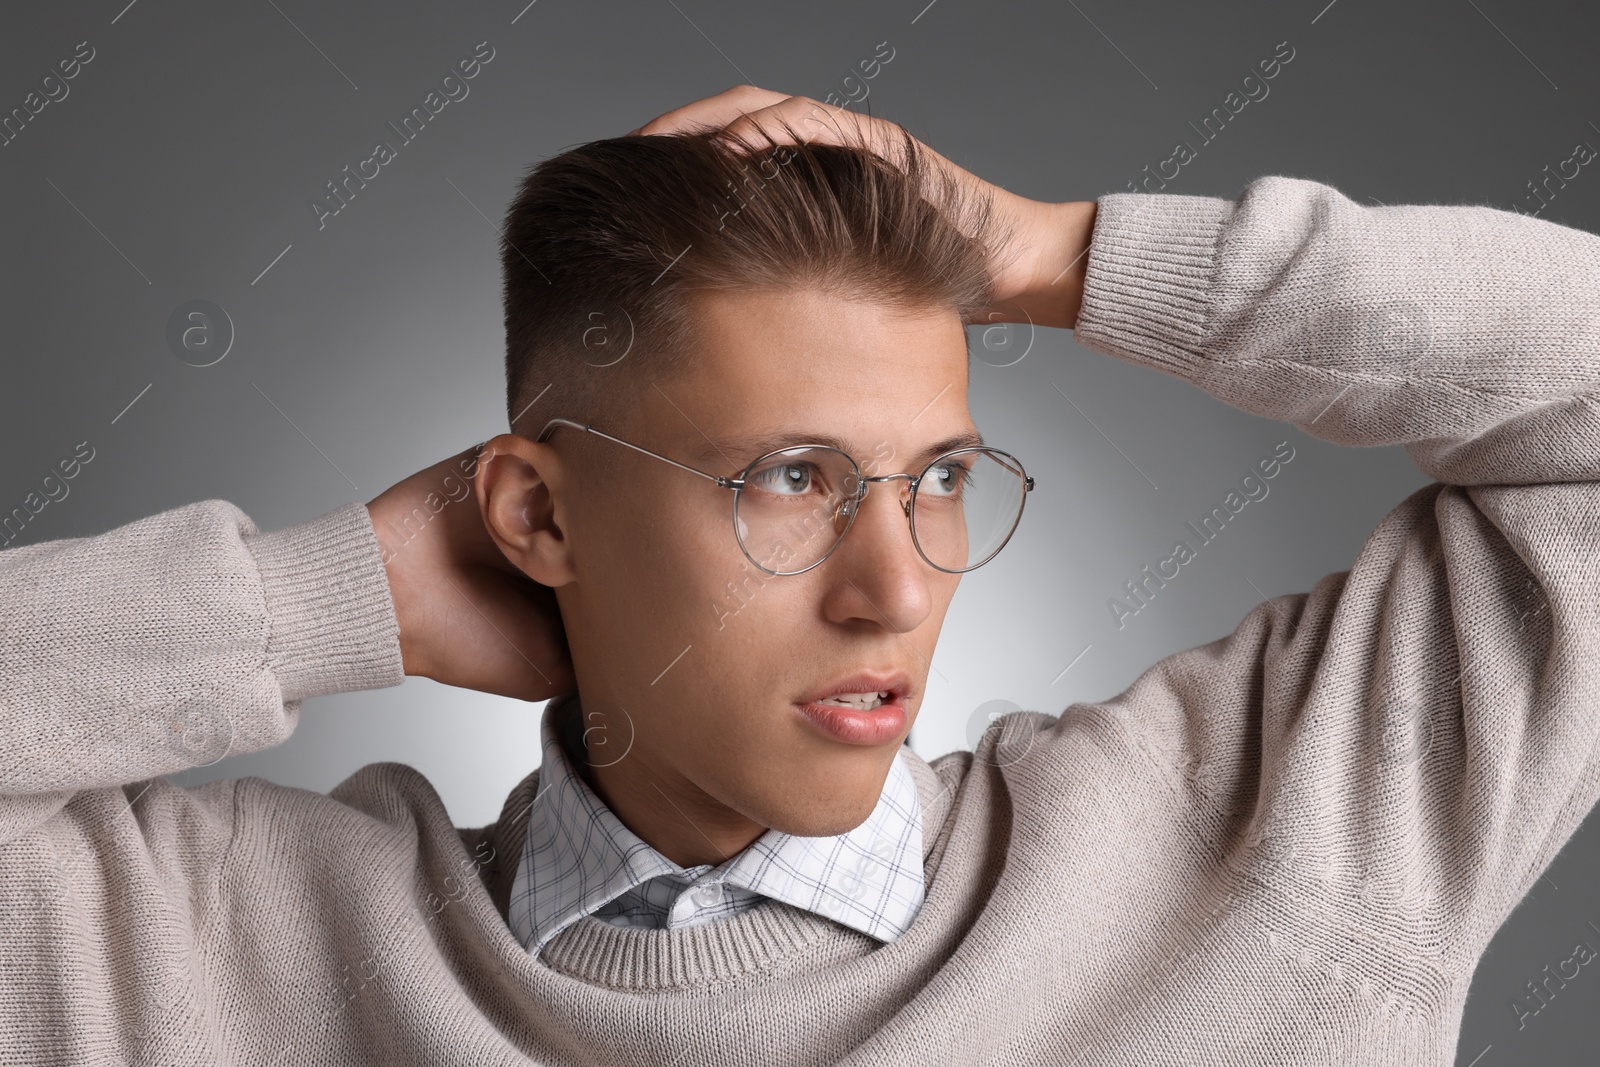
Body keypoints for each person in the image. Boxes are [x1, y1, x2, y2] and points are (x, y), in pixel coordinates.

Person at [2, 84, 1596, 1065]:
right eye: (790, 479)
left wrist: (1048, 255)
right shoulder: (220, 960)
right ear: (537, 521)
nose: (896, 591)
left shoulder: (1270, 852)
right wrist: (323, 598)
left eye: (944, 483)